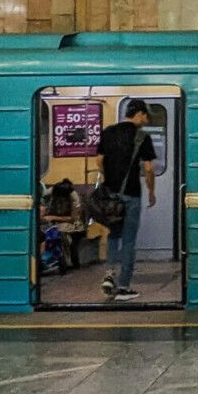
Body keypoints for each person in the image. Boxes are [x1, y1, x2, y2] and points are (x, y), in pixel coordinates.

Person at [96, 99, 157, 301]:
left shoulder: (108, 132)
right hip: (131, 195)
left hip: (111, 196)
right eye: (146, 115)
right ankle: (123, 287)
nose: (146, 119)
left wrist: (109, 178)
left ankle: (109, 275)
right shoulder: (142, 137)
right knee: (129, 240)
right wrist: (151, 191)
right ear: (139, 113)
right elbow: (149, 169)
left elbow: (99, 160)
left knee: (113, 235)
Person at [41, 179, 86, 270]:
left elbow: (72, 219)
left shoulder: (74, 198)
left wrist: (53, 217)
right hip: (56, 221)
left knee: (63, 234)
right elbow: (43, 196)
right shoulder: (54, 191)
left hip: (73, 225)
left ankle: (67, 260)